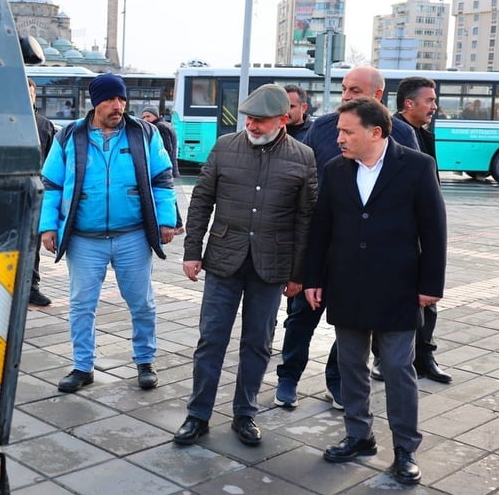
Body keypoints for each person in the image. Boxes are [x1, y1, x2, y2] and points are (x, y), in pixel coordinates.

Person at [304, 97, 446, 485]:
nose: (339, 138)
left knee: (399, 368)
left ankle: (405, 449)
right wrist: (313, 278)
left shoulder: (417, 167)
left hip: (399, 286)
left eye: (347, 131)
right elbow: (321, 228)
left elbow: (434, 230)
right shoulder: (335, 170)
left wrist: (430, 286)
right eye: (338, 131)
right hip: (347, 284)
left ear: (376, 132)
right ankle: (359, 435)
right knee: (351, 364)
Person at [174, 84, 317, 446]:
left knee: (258, 342)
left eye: (260, 121)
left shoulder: (303, 157)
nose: (251, 126)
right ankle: (198, 414)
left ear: (284, 119)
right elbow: (201, 201)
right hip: (224, 260)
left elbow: (306, 220)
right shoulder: (225, 147)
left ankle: (245, 413)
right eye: (249, 119)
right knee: (211, 340)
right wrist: (192, 251)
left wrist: (298, 274)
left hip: (271, 267)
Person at [274, 67, 418, 409]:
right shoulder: (323, 129)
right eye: (344, 88)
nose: (347, 95)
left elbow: (417, 194)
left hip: (369, 252)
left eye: (355, 89)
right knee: (301, 315)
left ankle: (337, 381)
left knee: (355, 320)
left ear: (377, 95)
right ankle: (288, 378)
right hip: (321, 244)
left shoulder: (401, 135)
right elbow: (300, 181)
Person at [40, 73, 177, 393]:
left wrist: (166, 220)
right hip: (84, 240)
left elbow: (163, 178)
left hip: (132, 236)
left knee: (141, 302)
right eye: (110, 100)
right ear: (95, 102)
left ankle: (145, 360)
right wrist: (47, 226)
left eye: (122, 100)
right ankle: (82, 366)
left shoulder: (144, 132)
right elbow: (51, 184)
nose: (118, 106)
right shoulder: (69, 135)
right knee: (81, 304)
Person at [387, 76, 452, 384]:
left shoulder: (424, 134)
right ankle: (392, 358)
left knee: (428, 298)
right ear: (409, 103)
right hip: (400, 233)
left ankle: (425, 356)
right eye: (430, 100)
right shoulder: (394, 133)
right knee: (398, 297)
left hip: (422, 230)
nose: (434, 107)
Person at [27, 78, 57, 307]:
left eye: (31, 93)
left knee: (33, 244)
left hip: (36, 193)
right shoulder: (3, 120)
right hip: (10, 194)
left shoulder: (44, 124)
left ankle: (32, 288)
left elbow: (52, 163)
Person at [140, 105, 183, 233]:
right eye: (143, 117)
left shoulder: (159, 127)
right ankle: (178, 224)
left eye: (148, 116)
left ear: (156, 115)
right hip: (169, 167)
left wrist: (164, 168)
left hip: (164, 169)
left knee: (167, 196)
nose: (145, 119)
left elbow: (165, 150)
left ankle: (178, 224)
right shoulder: (164, 125)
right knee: (168, 196)